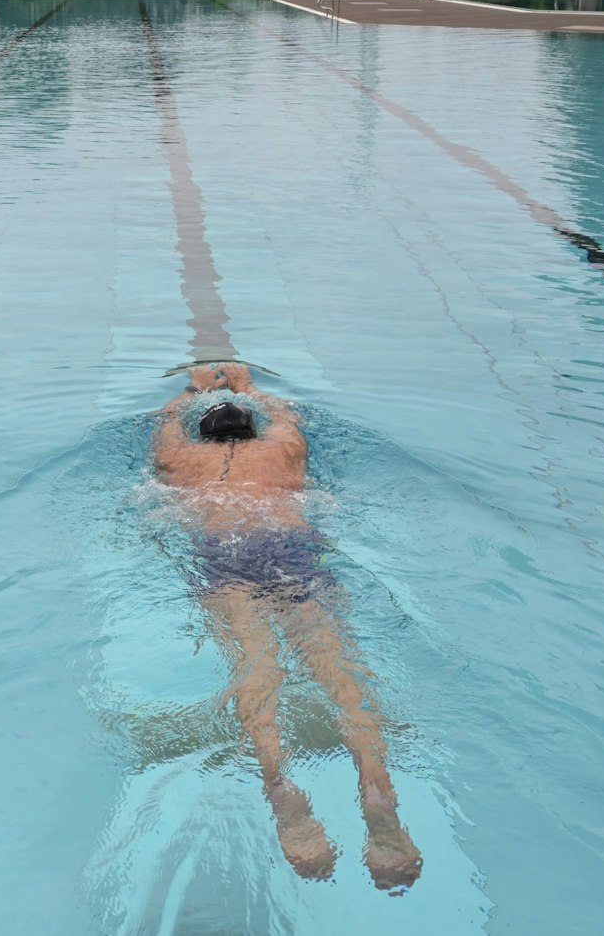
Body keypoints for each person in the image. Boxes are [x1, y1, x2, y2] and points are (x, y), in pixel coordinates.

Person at [153, 362, 423, 891]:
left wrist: (191, 389)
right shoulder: (282, 450)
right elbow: (286, 415)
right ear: (252, 430)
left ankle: (279, 786)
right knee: (340, 674)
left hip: (225, 556)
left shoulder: (180, 459)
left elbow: (164, 427)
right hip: (290, 549)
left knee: (257, 668)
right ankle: (376, 788)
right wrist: (248, 386)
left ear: (201, 435)